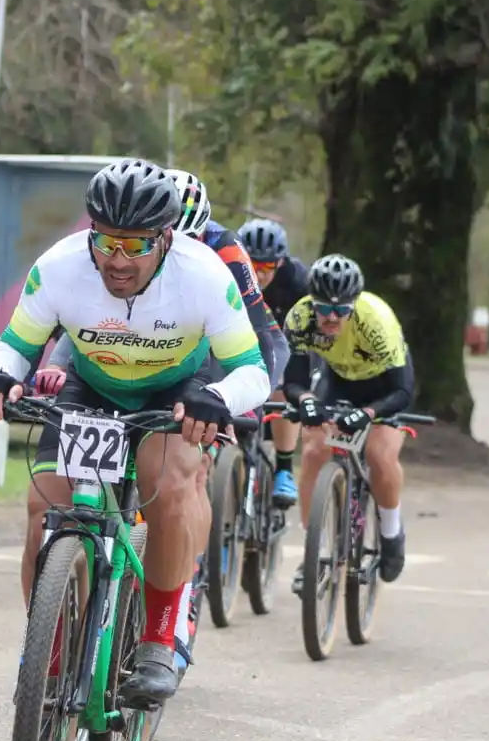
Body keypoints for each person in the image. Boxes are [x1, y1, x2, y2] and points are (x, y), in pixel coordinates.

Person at [0, 158, 270, 707]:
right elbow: (17, 345)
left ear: (166, 238)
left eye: (135, 246)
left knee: (169, 483)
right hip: (92, 383)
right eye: (105, 242)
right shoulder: (59, 266)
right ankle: (48, 651)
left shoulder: (203, 275)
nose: (117, 260)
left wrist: (217, 398)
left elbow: (252, 370)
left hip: (177, 389)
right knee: (44, 506)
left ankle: (158, 640)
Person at [38, 168, 289, 674]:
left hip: (204, 359)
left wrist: (233, 400)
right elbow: (80, 325)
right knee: (53, 496)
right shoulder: (103, 256)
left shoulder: (219, 256)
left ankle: (179, 593)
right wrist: (54, 372)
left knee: (184, 473)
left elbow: (265, 342)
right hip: (119, 354)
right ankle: (50, 637)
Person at [282, 254, 413, 588]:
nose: (332, 317)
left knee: (379, 455)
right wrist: (307, 401)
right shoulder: (300, 318)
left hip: (384, 387)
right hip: (337, 378)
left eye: (343, 310)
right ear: (313, 303)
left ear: (355, 305)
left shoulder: (376, 321)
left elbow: (403, 391)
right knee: (312, 449)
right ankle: (315, 552)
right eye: (325, 308)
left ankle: (391, 531)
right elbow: (293, 380)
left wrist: (368, 414)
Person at [237, 218, 310, 508]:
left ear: (281, 263)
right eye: (253, 265)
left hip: (287, 343)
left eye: (267, 267)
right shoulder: (228, 272)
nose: (260, 273)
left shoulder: (297, 281)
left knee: (283, 390)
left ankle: (283, 470)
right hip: (242, 341)